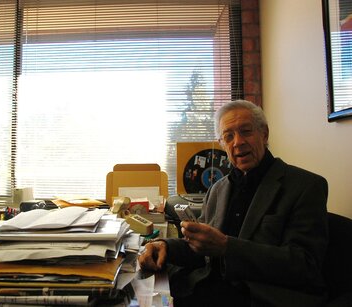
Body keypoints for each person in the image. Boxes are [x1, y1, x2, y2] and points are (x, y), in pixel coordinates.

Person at [138, 99, 329, 306]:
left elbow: (305, 265)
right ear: (221, 144)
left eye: (246, 131)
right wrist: (163, 245)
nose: (237, 142)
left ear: (264, 134)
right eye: (228, 136)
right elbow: (201, 248)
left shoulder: (305, 186)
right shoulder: (218, 189)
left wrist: (227, 247)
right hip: (208, 287)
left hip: (261, 296)